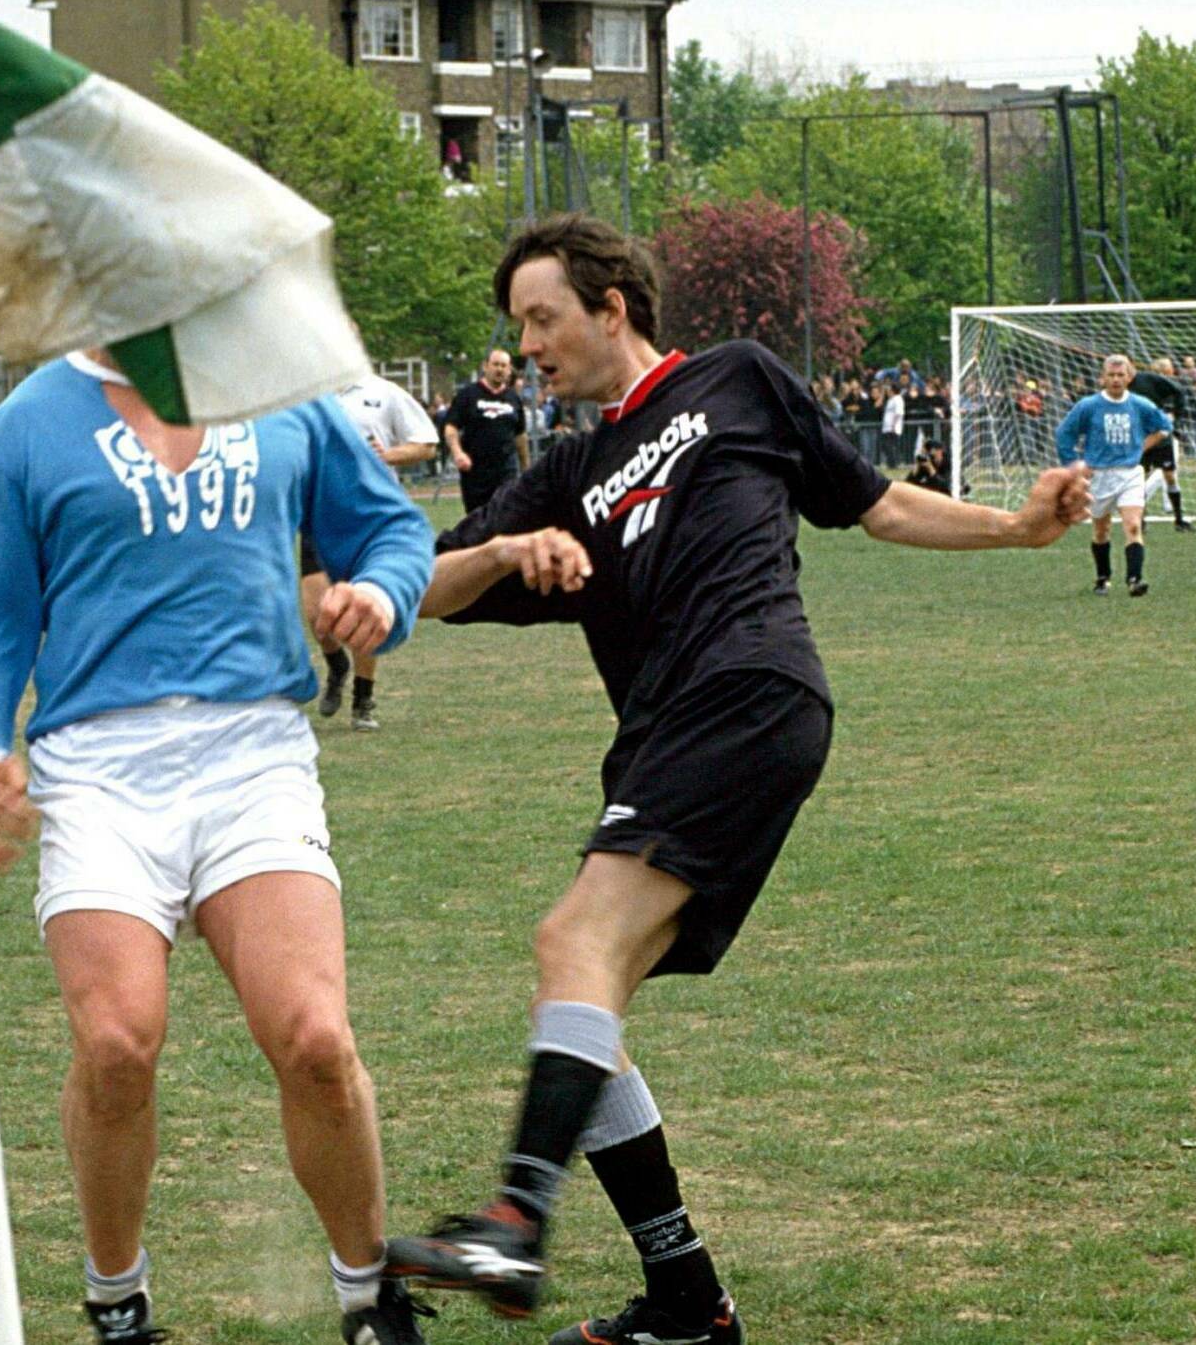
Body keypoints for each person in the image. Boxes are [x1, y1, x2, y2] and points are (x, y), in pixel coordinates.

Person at [381, 215, 1089, 1345]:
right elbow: (426, 585)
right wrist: (509, 551)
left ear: (611, 306)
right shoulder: (569, 472)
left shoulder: (738, 383)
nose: (528, 343)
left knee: (576, 941)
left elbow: (877, 501)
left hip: (751, 688)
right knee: (581, 990)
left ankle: (515, 1216)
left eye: (542, 316)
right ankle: (686, 1301)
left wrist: (1014, 526)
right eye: (518, 324)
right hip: (668, 730)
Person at [0, 346, 436, 1345]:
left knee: (314, 1038)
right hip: (99, 769)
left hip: (253, 752)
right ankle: (118, 1300)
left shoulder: (281, 388)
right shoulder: (25, 429)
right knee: (117, 1043)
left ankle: (367, 1297)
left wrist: (381, 594)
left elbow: (388, 529)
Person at [305, 368, 441, 732]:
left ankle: (363, 699)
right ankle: (337, 666)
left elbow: (426, 443)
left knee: (360, 610)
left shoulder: (383, 392)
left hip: (367, 518)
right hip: (317, 515)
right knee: (318, 617)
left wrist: (389, 455)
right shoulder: (305, 392)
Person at [1057, 354, 1173, 596]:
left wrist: (1140, 447)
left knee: (1132, 526)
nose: (1116, 379)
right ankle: (1103, 577)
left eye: (1121, 375)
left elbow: (1164, 428)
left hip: (1130, 473)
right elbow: (1064, 435)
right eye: (1111, 375)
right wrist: (1074, 466)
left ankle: (1134, 579)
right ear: (1102, 378)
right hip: (1099, 476)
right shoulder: (1088, 406)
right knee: (1101, 530)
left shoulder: (1140, 405)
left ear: (1129, 378)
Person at [447, 348, 532, 513]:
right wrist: (458, 452)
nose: (499, 369)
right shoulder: (468, 395)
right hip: (475, 472)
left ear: (509, 370)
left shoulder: (513, 399)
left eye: (504, 366)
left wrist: (526, 468)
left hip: (505, 471)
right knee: (477, 520)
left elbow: (520, 435)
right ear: (485, 366)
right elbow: (451, 427)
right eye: (495, 364)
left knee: (505, 516)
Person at [1127, 356, 1196, 530]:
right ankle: (1140, 520)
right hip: (1138, 438)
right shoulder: (1118, 387)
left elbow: (1178, 391)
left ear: (1132, 364)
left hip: (1160, 437)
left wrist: (1175, 416)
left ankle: (1179, 519)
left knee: (1170, 476)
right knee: (1138, 479)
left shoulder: (1148, 379)